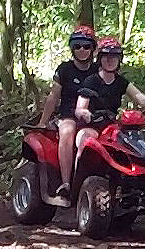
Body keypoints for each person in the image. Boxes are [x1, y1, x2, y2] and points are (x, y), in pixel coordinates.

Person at [33, 25, 99, 213]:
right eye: (77, 46)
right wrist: (43, 121)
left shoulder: (98, 70)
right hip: (69, 115)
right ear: (72, 48)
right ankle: (66, 183)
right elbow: (54, 96)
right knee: (68, 131)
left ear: (93, 49)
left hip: (93, 117)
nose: (82, 50)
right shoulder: (65, 70)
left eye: (86, 46)